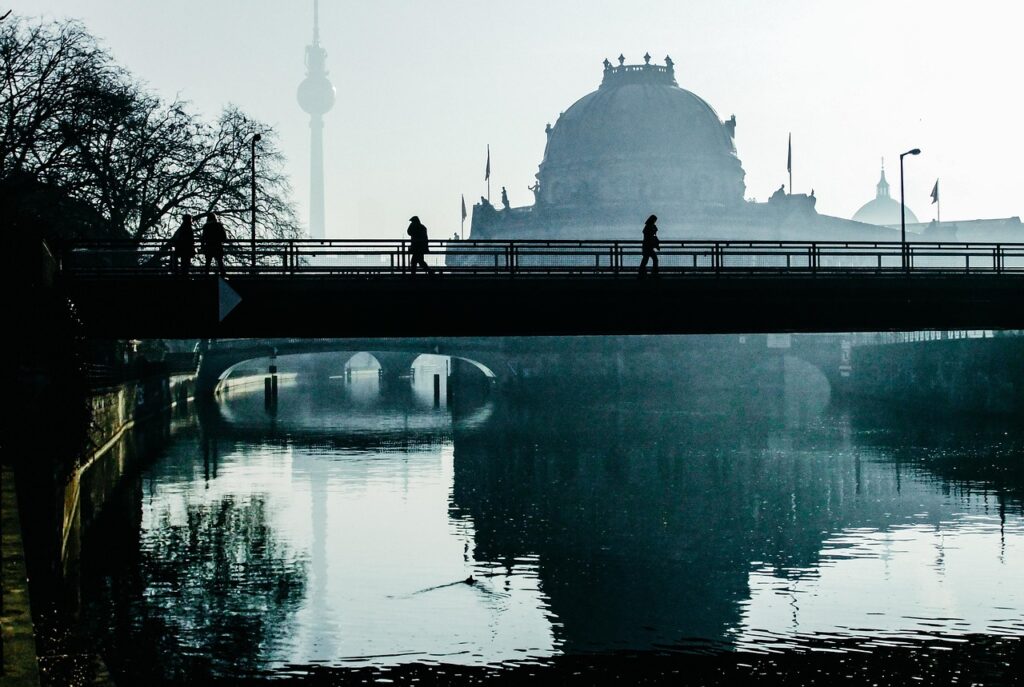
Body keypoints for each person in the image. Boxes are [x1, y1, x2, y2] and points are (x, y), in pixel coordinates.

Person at [201, 212, 227, 276]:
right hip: (217, 246)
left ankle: (206, 276)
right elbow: (224, 237)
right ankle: (223, 275)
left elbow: (203, 237)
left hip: (209, 246)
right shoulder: (219, 225)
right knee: (220, 262)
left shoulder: (206, 226)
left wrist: (202, 246)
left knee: (208, 262)